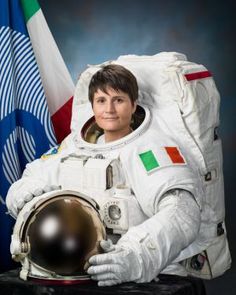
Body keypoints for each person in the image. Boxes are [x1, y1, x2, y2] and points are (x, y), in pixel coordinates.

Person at [6, 64, 210, 286]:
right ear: (92, 106)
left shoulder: (150, 149)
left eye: (119, 100)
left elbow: (182, 212)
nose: (109, 109)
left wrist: (137, 255)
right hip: (68, 271)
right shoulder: (74, 146)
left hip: (138, 275)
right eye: (101, 100)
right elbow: (33, 177)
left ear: (133, 105)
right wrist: (20, 194)